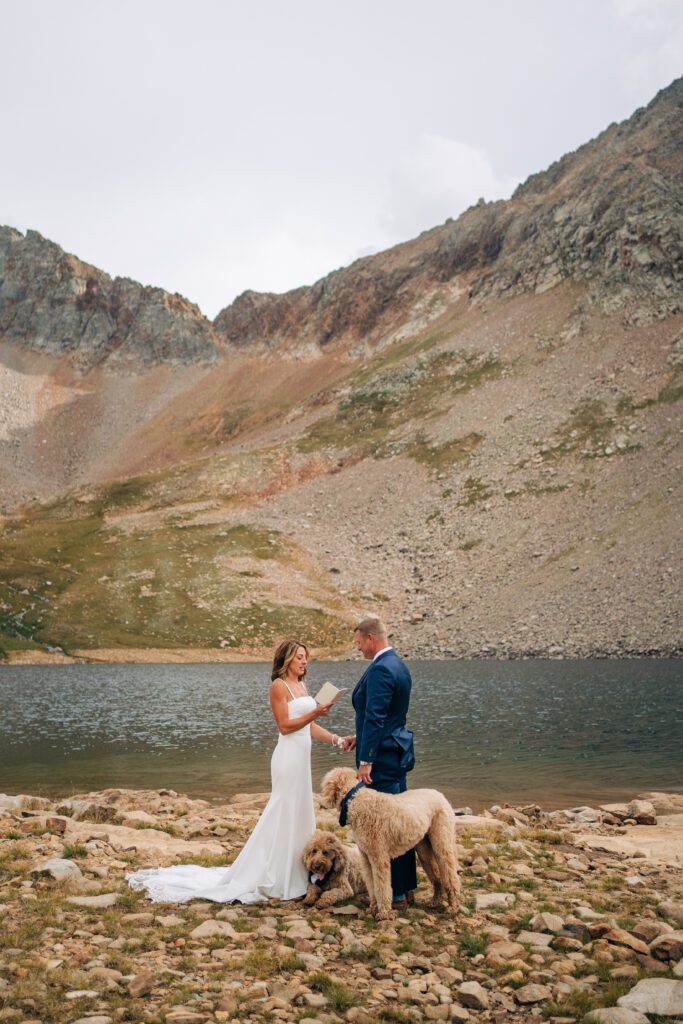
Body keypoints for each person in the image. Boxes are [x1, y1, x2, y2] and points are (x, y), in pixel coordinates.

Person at [127, 639, 340, 903]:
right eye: (299, 657)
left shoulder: (303, 685)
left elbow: (307, 727)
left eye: (306, 657)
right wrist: (315, 712)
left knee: (300, 810)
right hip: (287, 759)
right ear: (286, 659)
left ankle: (299, 875)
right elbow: (285, 726)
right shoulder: (278, 686)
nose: (304, 661)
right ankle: (276, 876)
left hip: (302, 758)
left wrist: (335, 739)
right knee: (283, 810)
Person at [340, 616, 417, 909]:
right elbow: (389, 717)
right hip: (395, 750)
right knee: (402, 823)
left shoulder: (381, 670)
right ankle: (406, 889)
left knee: (384, 827)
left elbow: (375, 717)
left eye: (359, 643)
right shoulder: (398, 664)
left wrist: (366, 760)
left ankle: (394, 894)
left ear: (371, 638)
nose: (358, 649)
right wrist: (359, 737)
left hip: (382, 759)